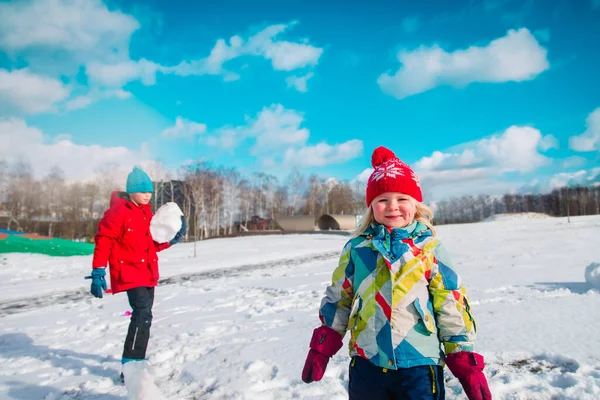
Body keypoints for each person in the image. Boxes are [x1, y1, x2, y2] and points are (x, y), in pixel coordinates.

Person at [301, 147, 492, 400]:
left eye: (402, 198)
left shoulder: (430, 249)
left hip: (419, 364)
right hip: (367, 363)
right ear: (371, 206)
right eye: (383, 200)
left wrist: (464, 360)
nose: (393, 207)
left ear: (415, 204)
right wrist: (322, 347)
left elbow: (450, 303)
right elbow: (340, 299)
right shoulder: (357, 249)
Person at [86, 166, 186, 381]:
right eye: (142, 191)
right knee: (142, 313)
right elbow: (104, 240)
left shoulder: (146, 213)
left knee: (146, 316)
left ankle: (137, 361)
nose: (147, 195)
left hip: (147, 271)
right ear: (131, 191)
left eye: (149, 191)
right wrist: (98, 269)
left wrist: (170, 240)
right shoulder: (118, 212)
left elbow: (150, 245)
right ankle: (130, 365)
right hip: (129, 271)